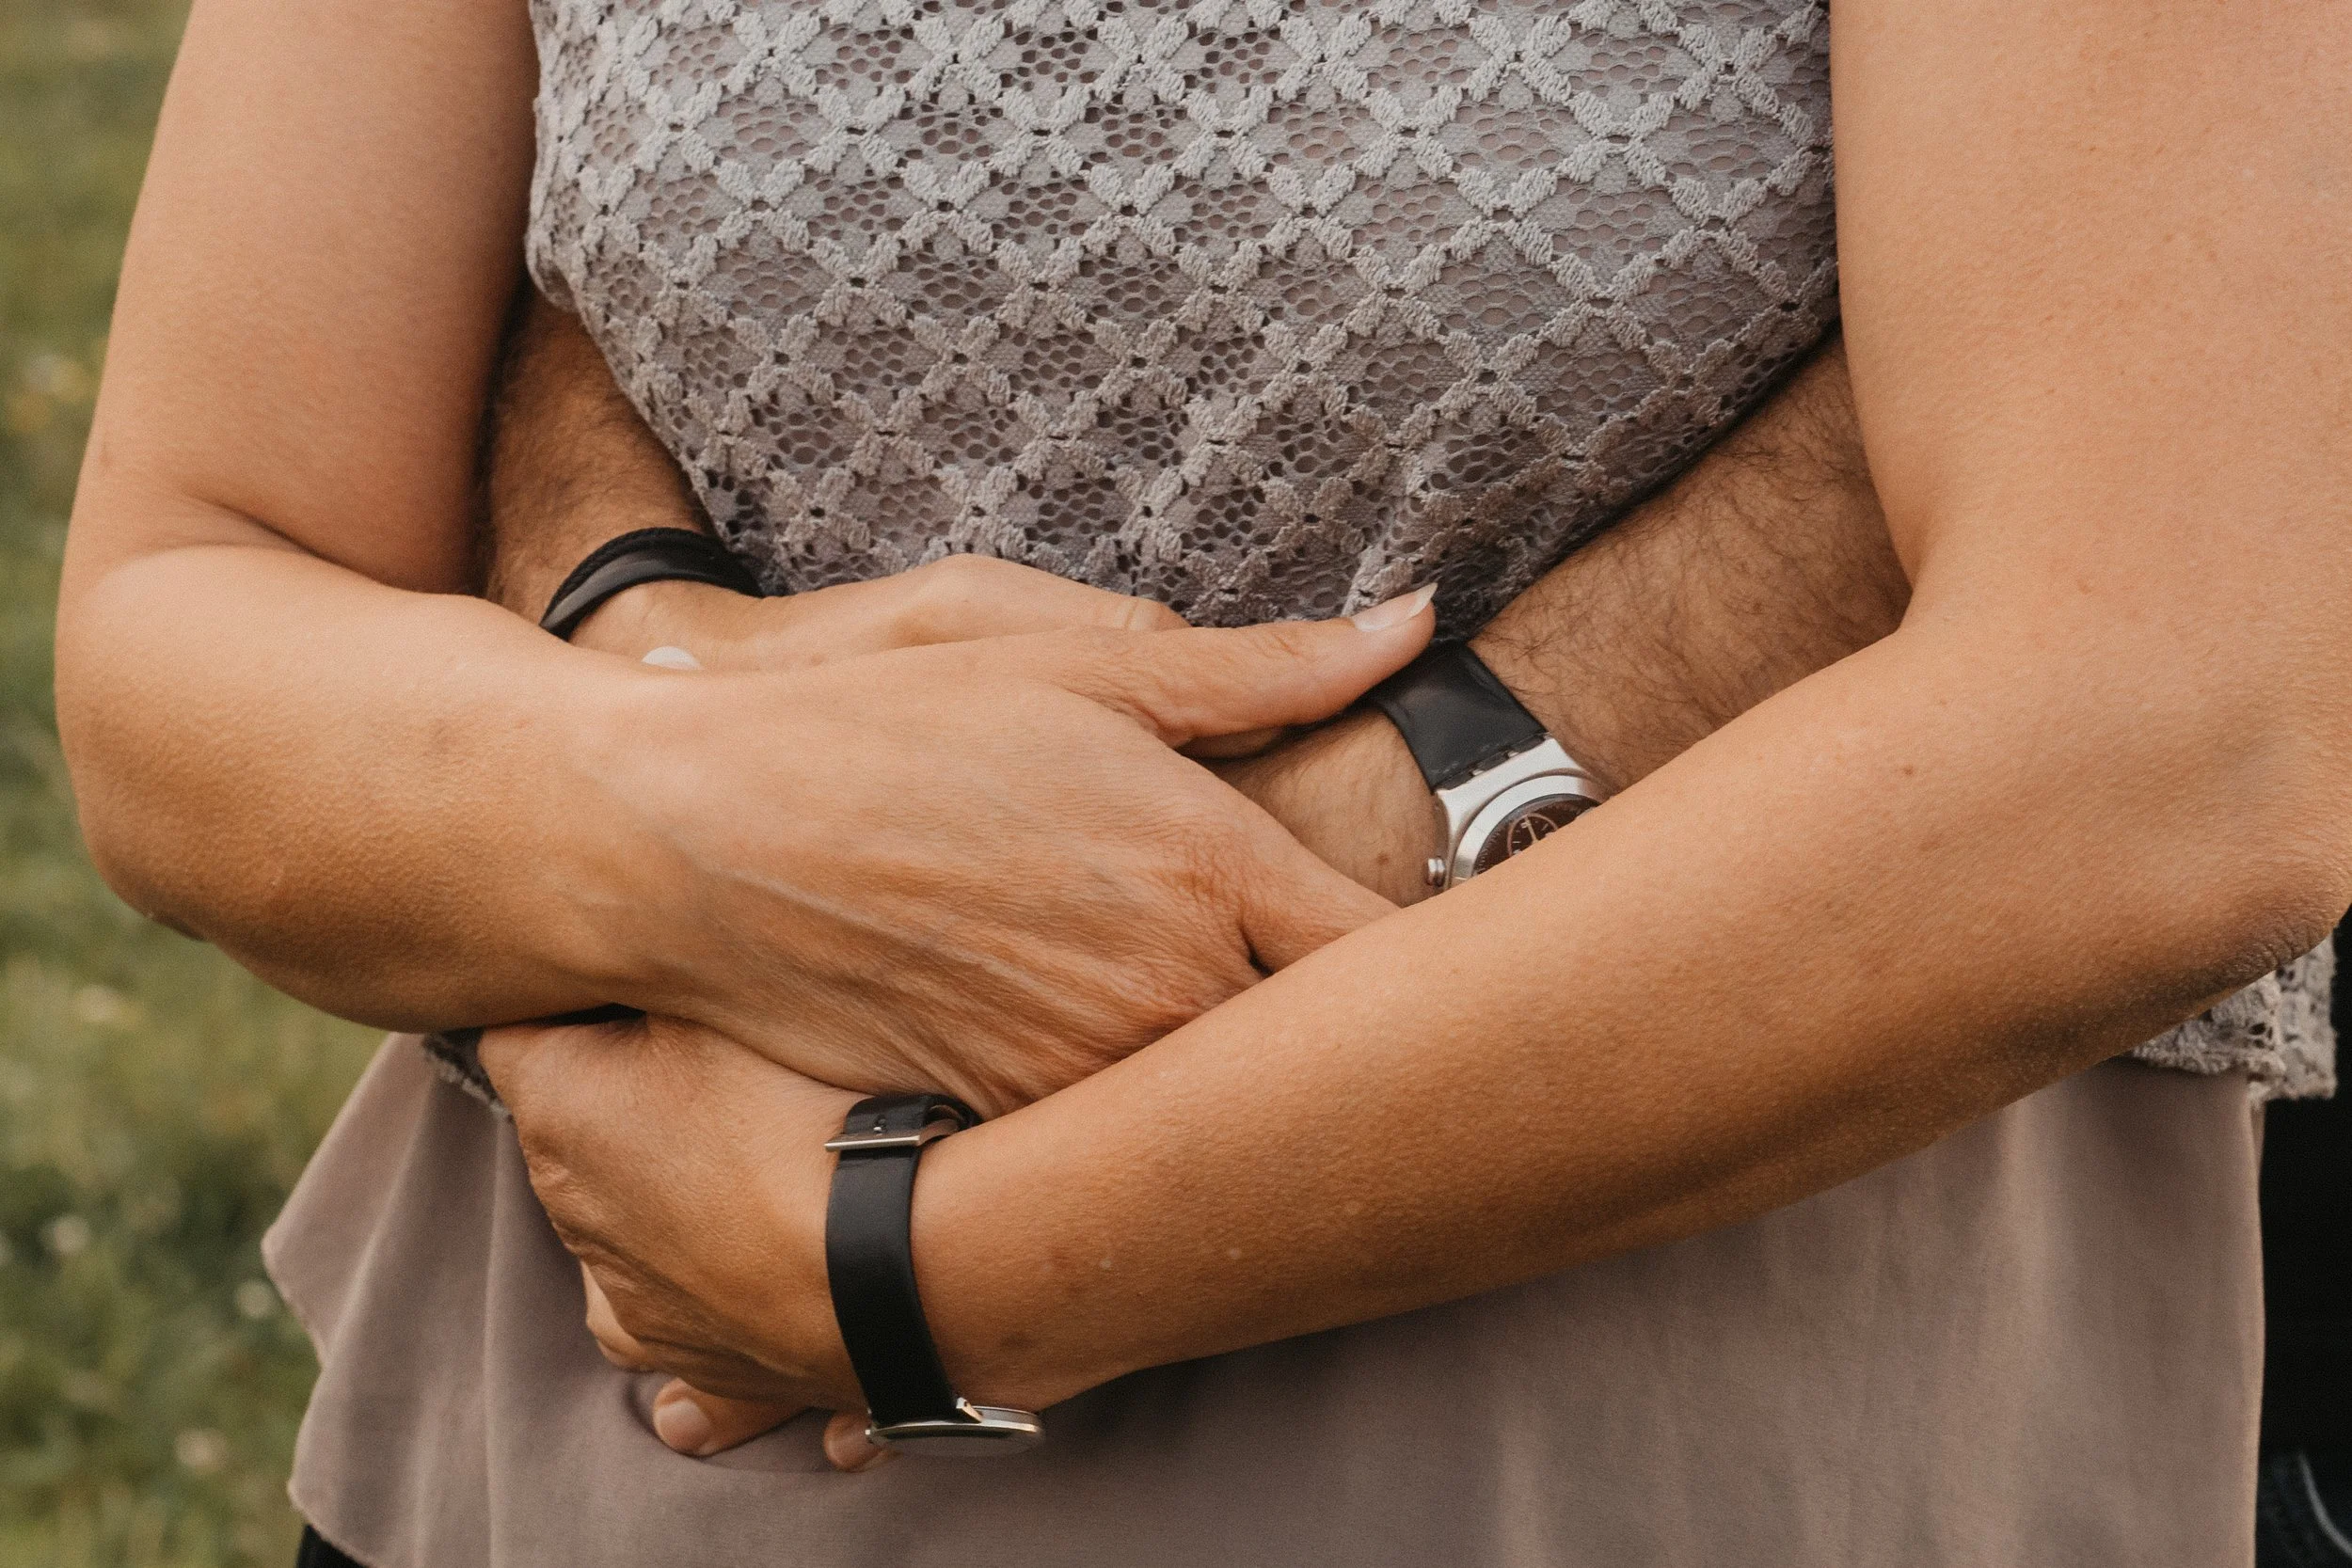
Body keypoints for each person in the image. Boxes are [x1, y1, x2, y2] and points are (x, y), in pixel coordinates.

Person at [52, 0, 2349, 1562]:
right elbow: (192, 594)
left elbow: (2166, 725)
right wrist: (695, 797)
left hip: (1653, 1396)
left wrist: (907, 1263)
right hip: (619, 1381)